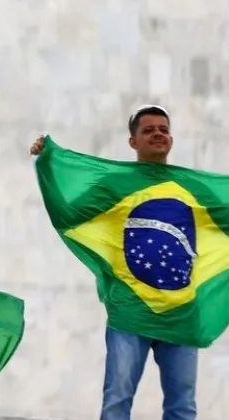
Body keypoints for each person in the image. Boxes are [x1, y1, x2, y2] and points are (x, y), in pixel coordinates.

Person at [30, 104, 197, 420]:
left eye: (163, 129)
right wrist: (48, 161)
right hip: (130, 310)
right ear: (132, 142)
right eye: (148, 130)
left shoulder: (192, 187)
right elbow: (70, 213)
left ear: (171, 138)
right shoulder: (115, 185)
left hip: (180, 313)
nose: (158, 134)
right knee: (117, 401)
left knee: (183, 407)